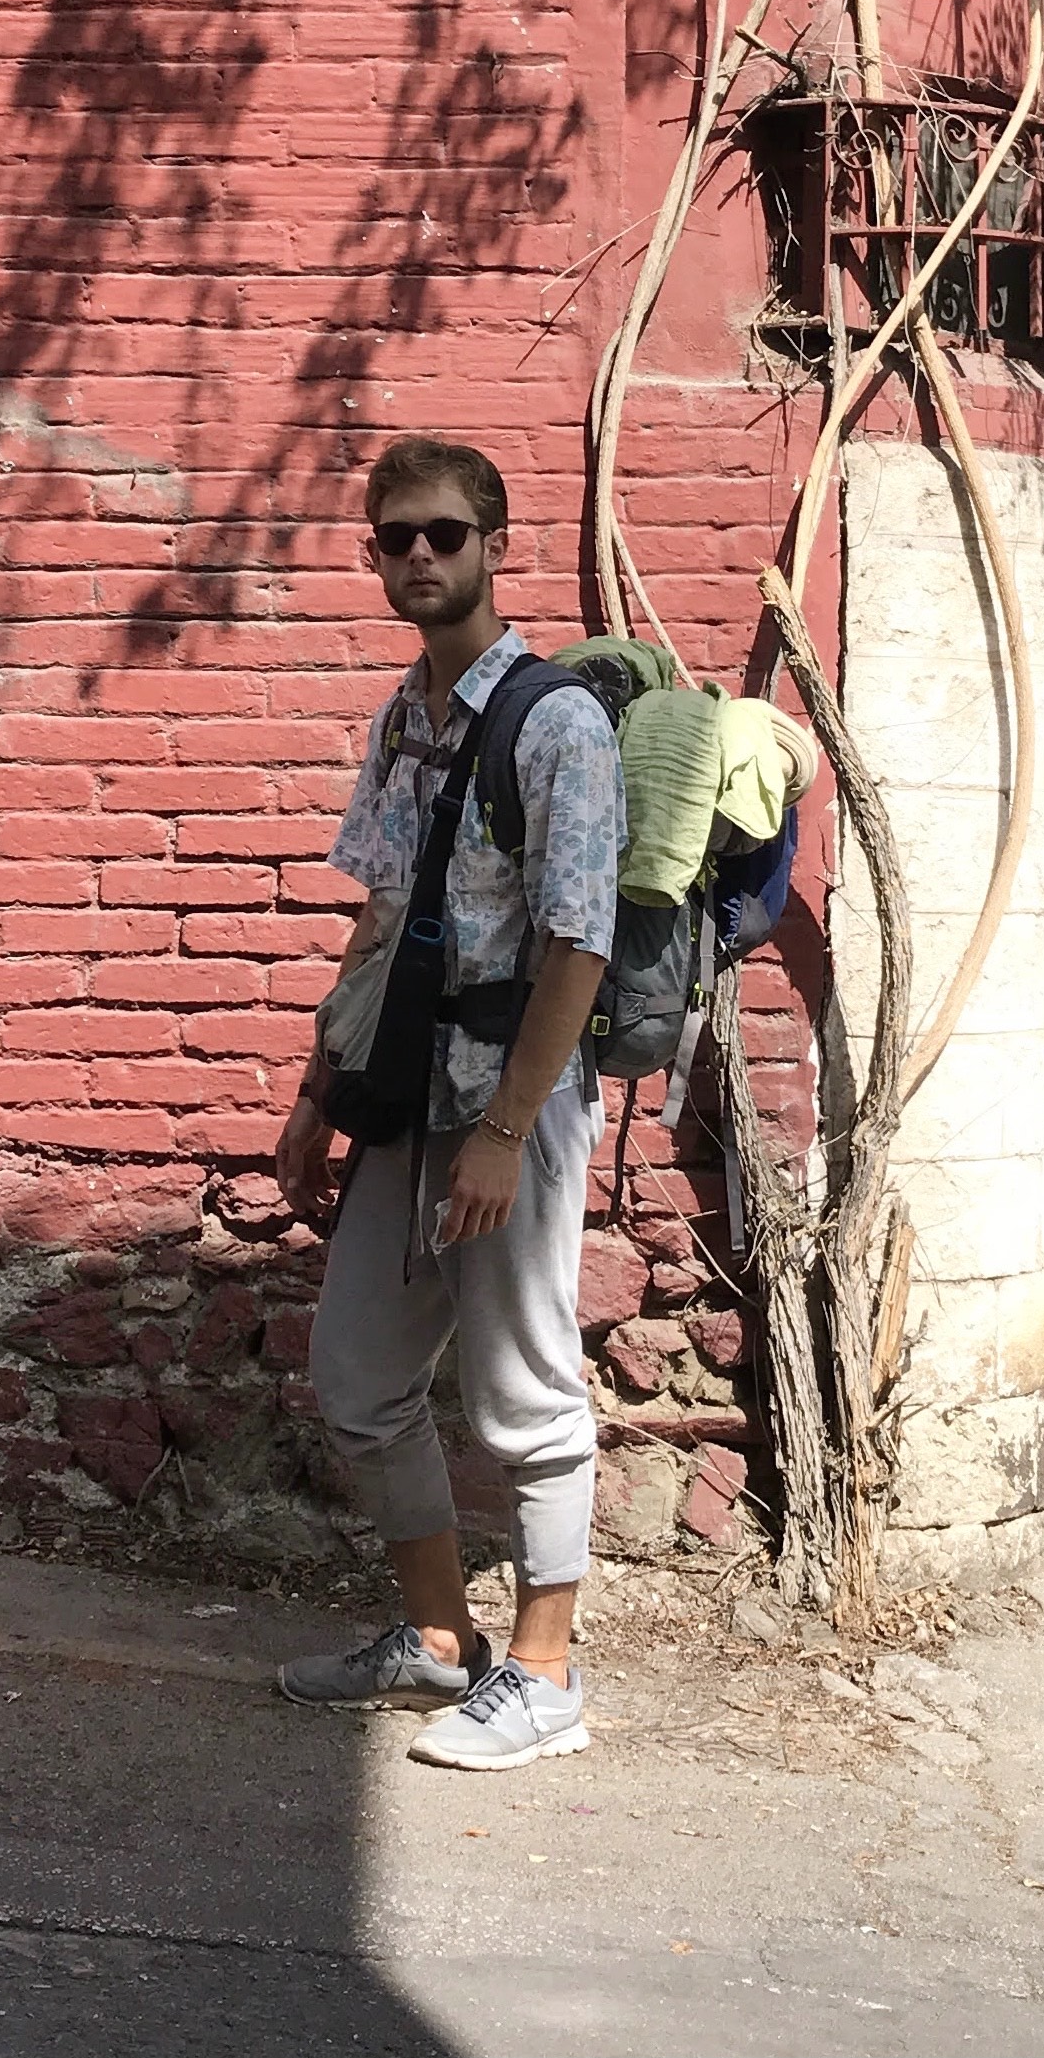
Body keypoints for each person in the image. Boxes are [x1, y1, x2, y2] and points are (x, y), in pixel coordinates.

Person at [273, 434, 624, 1771]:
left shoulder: (557, 722)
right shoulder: (401, 719)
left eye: (445, 534)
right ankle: (437, 1640)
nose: (419, 555)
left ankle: (547, 1678)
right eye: (396, 537)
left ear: (495, 547)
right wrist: (319, 1093)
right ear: (372, 554)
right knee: (360, 1376)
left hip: (509, 1103)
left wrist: (504, 1134)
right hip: (407, 1094)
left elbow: (580, 945)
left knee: (523, 1387)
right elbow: (376, 918)